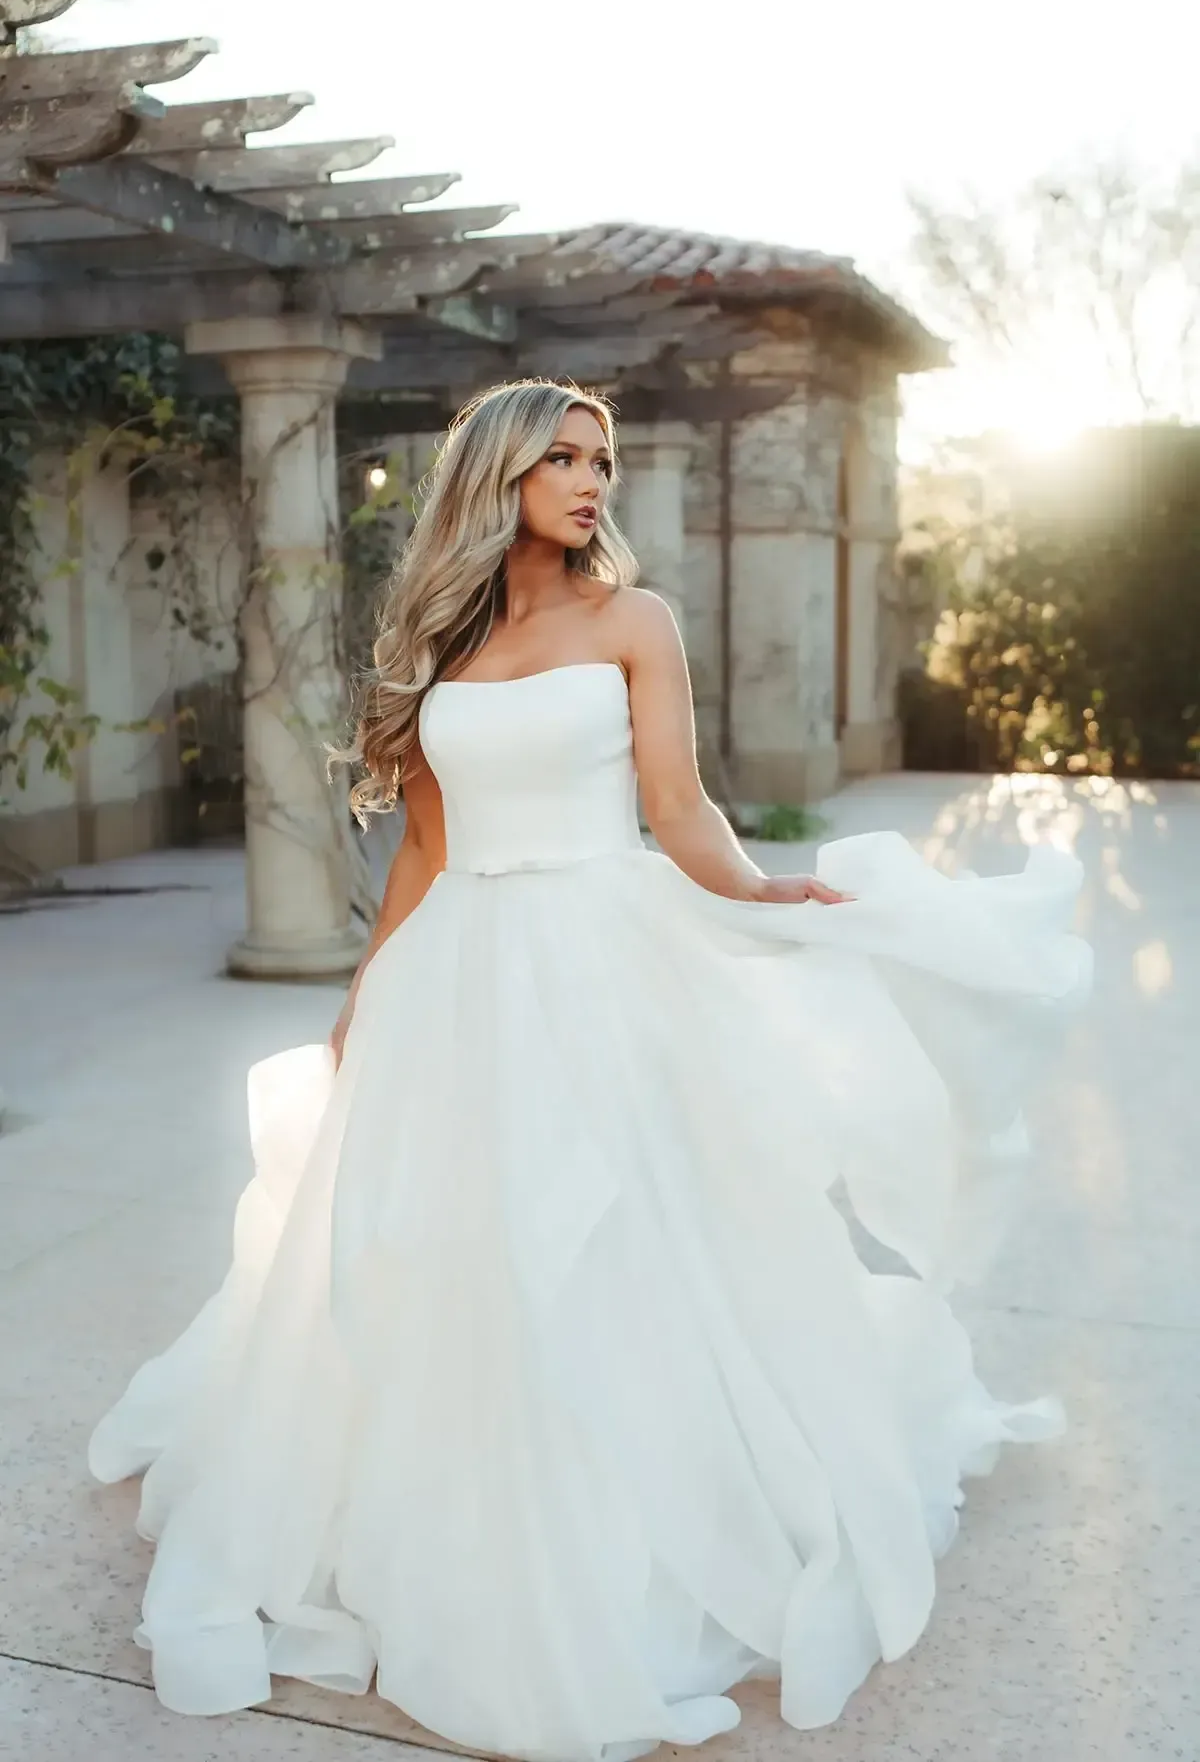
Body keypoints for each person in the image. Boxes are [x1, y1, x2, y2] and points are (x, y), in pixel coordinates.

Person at [89, 379, 1090, 1759]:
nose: (589, 479)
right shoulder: (438, 643)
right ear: (495, 473)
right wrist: (365, 994)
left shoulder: (636, 621)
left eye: (600, 459)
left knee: (607, 1242)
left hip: (597, 956)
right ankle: (458, 1517)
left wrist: (763, 892)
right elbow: (429, 851)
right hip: (459, 977)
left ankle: (618, 1528)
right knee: (449, 1250)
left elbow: (675, 809)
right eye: (560, 457)